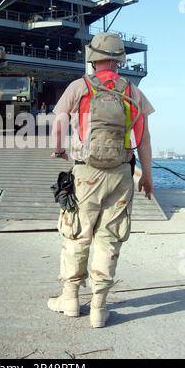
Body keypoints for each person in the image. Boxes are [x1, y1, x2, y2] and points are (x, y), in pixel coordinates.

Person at [48, 33, 154, 328]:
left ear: (93, 58)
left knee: (76, 234)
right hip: (120, 176)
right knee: (109, 238)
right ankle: (98, 307)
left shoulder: (79, 87)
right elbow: (143, 140)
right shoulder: (132, 91)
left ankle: (70, 299)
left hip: (85, 173)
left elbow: (58, 121)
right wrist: (147, 175)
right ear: (120, 59)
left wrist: (59, 150)